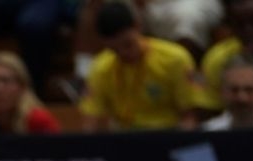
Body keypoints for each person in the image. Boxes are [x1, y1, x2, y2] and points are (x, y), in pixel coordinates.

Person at [80, 2, 203, 130]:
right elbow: (91, 120)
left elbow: (189, 116)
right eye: (114, 50)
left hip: (166, 134)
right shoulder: (100, 67)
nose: (123, 53)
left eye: (128, 45)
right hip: (122, 138)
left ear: (137, 26)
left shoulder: (175, 59)